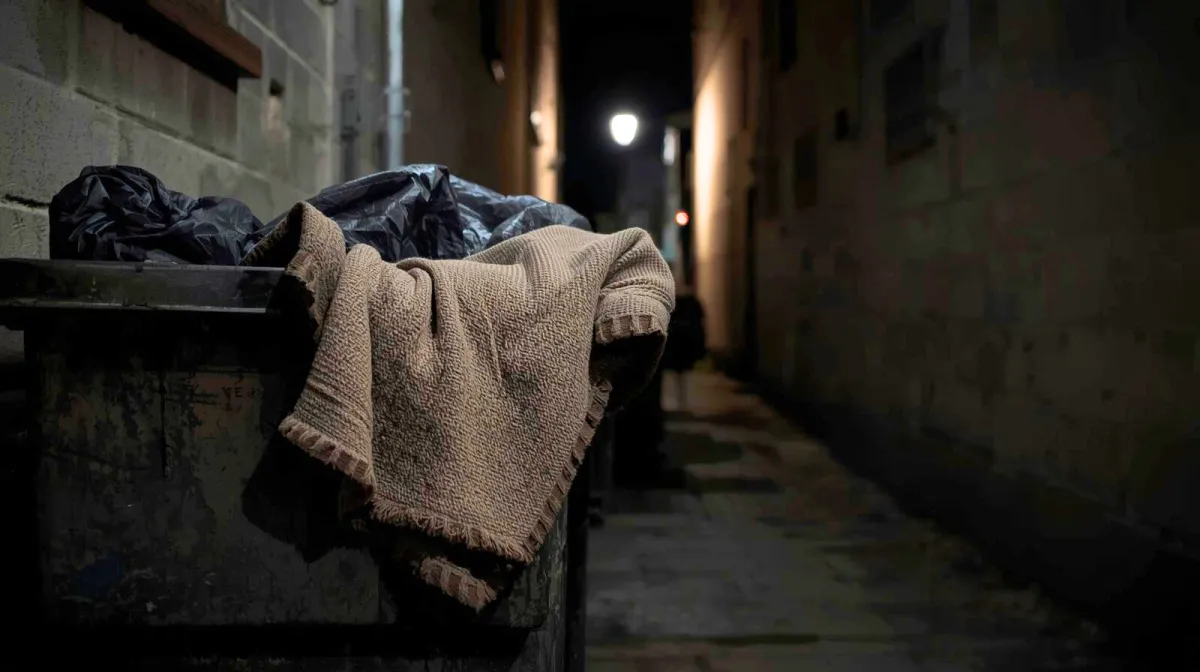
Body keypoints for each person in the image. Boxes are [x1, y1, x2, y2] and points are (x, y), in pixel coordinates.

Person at [662, 284, 706, 411]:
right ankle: (681, 399)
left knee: (677, 372)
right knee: (682, 371)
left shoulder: (674, 304)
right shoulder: (692, 304)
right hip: (685, 342)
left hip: (678, 342)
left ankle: (679, 399)